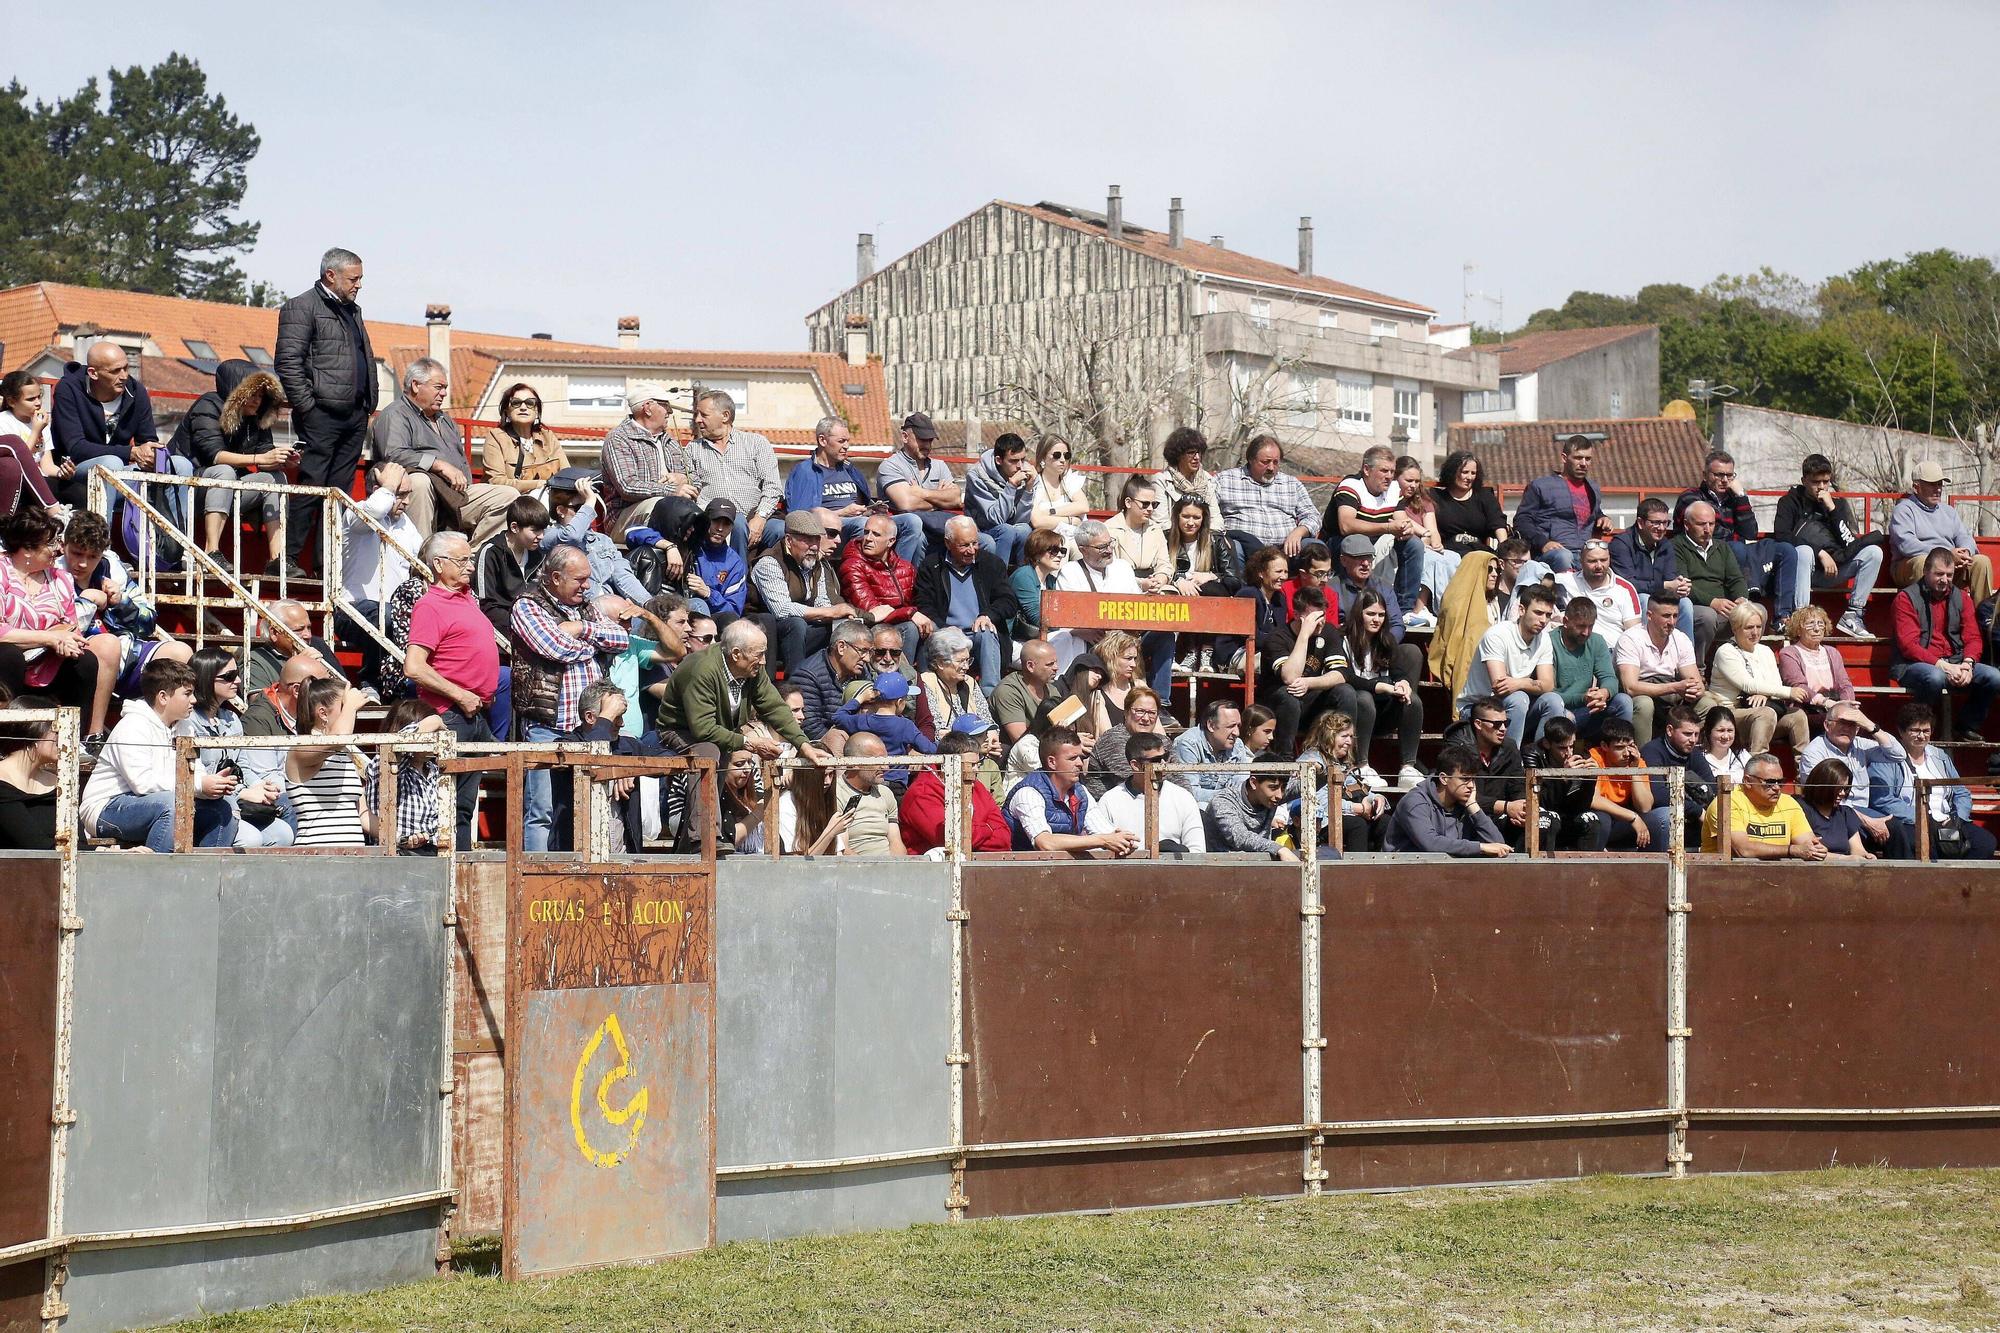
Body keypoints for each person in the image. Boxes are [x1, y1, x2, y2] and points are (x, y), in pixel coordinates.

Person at [511, 546, 631, 851]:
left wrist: (581, 628)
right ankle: (536, 881)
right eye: (579, 579)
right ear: (554, 577)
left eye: (588, 579)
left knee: (593, 804)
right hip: (547, 726)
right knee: (543, 810)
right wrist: (595, 642)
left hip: (591, 728)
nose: (587, 586)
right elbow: (555, 647)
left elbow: (622, 639)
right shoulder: (527, 606)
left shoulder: (586, 609)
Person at [275, 248, 375, 566]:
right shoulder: (301, 307)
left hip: (354, 414)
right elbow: (288, 362)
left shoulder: (353, 311)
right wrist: (308, 406)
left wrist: (368, 403)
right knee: (311, 485)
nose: (358, 284)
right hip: (321, 413)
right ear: (331, 275)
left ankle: (326, 563)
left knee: (340, 493)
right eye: (353, 278)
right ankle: (288, 558)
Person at [403, 531, 502, 846]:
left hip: (473, 714)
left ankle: (458, 872)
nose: (470, 566)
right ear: (438, 564)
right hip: (451, 714)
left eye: (470, 559)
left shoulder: (466, 599)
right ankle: (448, 875)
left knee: (463, 804)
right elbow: (414, 666)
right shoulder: (430, 605)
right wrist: (460, 694)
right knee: (451, 805)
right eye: (462, 560)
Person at [81, 658, 238, 852]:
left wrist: (210, 785)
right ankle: (158, 878)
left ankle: (202, 877)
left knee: (222, 811)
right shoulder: (133, 726)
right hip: (106, 807)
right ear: (163, 697)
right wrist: (198, 785)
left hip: (158, 801)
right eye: (187, 694)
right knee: (170, 805)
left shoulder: (185, 726)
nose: (194, 700)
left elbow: (195, 771)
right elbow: (142, 783)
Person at [0, 506, 114, 743]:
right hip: (9, 656)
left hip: (47, 660)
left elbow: (70, 626)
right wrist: (48, 637)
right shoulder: (2, 571)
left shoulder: (60, 578)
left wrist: (64, 639)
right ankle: (6, 738)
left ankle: (73, 742)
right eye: (51, 544)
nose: (58, 550)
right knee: (9, 656)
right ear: (28, 549)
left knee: (84, 660)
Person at [51, 340, 193, 528]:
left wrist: (151, 454)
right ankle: (101, 545)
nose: (124, 376)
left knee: (181, 465)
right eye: (115, 371)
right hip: (74, 471)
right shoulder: (68, 389)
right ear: (93, 373)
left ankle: (176, 546)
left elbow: (147, 440)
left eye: (126, 368)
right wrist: (131, 453)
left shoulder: (136, 392)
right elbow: (76, 447)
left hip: (120, 473)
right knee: (111, 463)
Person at [657, 618, 833, 767]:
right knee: (708, 753)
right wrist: (747, 743)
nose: (764, 661)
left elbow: (775, 707)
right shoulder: (702, 670)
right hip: (678, 730)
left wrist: (803, 744)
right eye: (759, 654)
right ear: (736, 654)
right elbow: (703, 729)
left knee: (733, 755)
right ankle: (702, 809)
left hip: (720, 731)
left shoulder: (752, 668)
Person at [370, 357, 511, 544]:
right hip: (420, 492)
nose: (444, 393)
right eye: (439, 387)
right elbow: (394, 454)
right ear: (415, 385)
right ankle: (421, 562)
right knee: (419, 482)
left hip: (456, 494)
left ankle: (468, 558)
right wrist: (438, 465)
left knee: (507, 496)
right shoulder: (395, 414)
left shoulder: (446, 420)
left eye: (445, 388)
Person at [167, 359, 291, 568]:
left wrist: (283, 460)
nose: (257, 401)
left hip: (225, 490)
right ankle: (211, 552)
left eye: (261, 395)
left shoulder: (256, 417)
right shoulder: (208, 404)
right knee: (223, 472)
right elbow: (215, 454)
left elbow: (264, 456)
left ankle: (276, 559)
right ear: (236, 391)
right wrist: (260, 458)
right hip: (186, 489)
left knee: (276, 478)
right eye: (252, 394)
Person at [178, 646, 292, 848]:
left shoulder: (231, 719)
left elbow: (243, 766)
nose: (237, 682)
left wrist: (260, 787)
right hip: (204, 801)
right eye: (229, 676)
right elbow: (196, 774)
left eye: (237, 675)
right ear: (206, 678)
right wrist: (242, 792)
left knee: (282, 833)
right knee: (252, 839)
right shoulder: (189, 721)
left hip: (234, 799)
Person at [1675, 448, 1800, 620]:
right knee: (1736, 548)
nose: (1725, 480)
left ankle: (1783, 617)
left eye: (1729, 475)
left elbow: (1750, 532)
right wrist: (1739, 539)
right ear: (1705, 475)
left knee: (1786, 550)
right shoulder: (1691, 497)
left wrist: (1741, 496)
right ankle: (1749, 593)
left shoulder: (1734, 497)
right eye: (1718, 475)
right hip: (1713, 553)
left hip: (1740, 547)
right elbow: (1710, 533)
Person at [1049, 520, 1172, 694]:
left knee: (1165, 636)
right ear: (1083, 549)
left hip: (1127, 638)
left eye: (1110, 543)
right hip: (1096, 642)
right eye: (1101, 547)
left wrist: (1149, 597)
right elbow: (1066, 617)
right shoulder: (1070, 572)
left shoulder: (1123, 567)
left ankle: (1162, 701)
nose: (1109, 550)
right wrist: (1080, 630)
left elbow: (1137, 607)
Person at [333, 459, 423, 693]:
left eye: (408, 494)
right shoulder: (355, 512)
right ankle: (370, 681)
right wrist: (388, 488)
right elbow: (373, 514)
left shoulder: (407, 525)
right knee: (388, 615)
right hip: (350, 609)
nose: (407, 501)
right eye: (400, 494)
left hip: (393, 612)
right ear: (380, 489)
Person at [1891, 546, 1999, 740]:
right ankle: (1922, 727)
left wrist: (1968, 664)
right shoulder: (1905, 598)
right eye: (1938, 574)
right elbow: (1908, 645)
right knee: (1935, 677)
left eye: (1949, 575)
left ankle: (1966, 725)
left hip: (1956, 662)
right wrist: (1944, 666)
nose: (1945, 580)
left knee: (1993, 676)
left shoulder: (1962, 598)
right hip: (1913, 664)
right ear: (1925, 572)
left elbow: (1973, 637)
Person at [1870, 701, 1998, 862]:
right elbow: (1883, 799)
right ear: (1901, 732)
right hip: (1911, 821)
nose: (1921, 736)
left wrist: (1957, 818)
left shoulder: (1940, 756)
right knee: (1927, 847)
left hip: (1947, 820)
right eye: (1915, 730)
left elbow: (1961, 792)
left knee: (1985, 843)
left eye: (1926, 731)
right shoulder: (1885, 758)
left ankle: (1956, 884)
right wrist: (1923, 819)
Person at [1772, 453, 1882, 640]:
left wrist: (1833, 510)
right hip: (1804, 571)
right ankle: (1802, 617)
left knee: (1874, 552)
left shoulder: (1836, 505)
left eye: (1826, 481)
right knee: (1804, 552)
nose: (1821, 487)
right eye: (1816, 482)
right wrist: (1819, 552)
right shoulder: (1789, 502)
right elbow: (1782, 536)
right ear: (1804, 480)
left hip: (1834, 570)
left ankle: (1853, 614)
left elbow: (1849, 542)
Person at [788, 415, 921, 560]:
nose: (846, 446)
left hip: (860, 519)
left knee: (912, 522)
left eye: (847, 441)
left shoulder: (849, 469)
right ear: (822, 440)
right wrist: (841, 513)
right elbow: (799, 518)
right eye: (841, 441)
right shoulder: (805, 471)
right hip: (832, 530)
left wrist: (872, 509)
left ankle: (897, 575)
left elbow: (863, 502)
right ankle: (859, 575)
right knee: (863, 526)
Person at [1323, 445, 1427, 629]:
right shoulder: (1351, 485)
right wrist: (1387, 528)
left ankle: (1404, 611)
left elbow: (1400, 519)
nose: (1389, 476)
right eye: (1384, 471)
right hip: (1342, 544)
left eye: (1392, 472)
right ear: (1366, 470)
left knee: (1414, 546)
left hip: (1377, 540)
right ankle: (1347, 606)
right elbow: (1346, 525)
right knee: (1354, 544)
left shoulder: (1394, 488)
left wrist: (1406, 529)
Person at [1330, 588, 1425, 787]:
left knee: (1412, 700)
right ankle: (1361, 765)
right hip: (1355, 709)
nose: (1376, 620)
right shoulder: (1342, 639)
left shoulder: (1386, 640)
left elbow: (1398, 672)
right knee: (1363, 697)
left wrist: (1403, 683)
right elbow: (1346, 677)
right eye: (1370, 614)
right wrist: (1380, 686)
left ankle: (1407, 767)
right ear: (1359, 614)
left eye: (1381, 615)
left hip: (1382, 712)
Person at [915, 515, 1017, 693]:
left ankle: (990, 695)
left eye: (974, 543)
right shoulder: (931, 565)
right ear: (948, 543)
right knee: (933, 632)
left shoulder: (991, 563)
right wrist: (945, 628)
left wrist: (988, 615)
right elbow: (924, 603)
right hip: (945, 631)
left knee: (987, 631)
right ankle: (930, 693)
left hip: (978, 633)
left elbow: (1008, 601)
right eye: (964, 545)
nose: (971, 550)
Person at [1797, 701, 1909, 859]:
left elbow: (1898, 755)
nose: (1846, 728)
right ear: (1827, 725)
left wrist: (1869, 725)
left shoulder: (1859, 745)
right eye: (1841, 723)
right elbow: (1821, 796)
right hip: (1832, 811)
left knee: (1901, 828)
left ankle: (1903, 879)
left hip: (1862, 809)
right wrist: (1867, 821)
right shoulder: (1814, 752)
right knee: (1892, 828)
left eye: (1852, 724)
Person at [749, 510, 855, 675]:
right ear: (789, 540)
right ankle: (795, 685)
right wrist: (831, 611)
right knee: (795, 623)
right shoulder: (770, 562)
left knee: (840, 626)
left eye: (817, 539)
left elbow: (821, 601)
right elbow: (782, 610)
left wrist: (837, 615)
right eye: (807, 539)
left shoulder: (814, 562)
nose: (814, 546)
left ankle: (836, 680)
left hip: (800, 632)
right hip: (765, 633)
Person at [1003, 726, 1137, 855]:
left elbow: (1105, 833)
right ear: (1052, 762)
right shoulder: (1028, 793)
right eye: (1072, 758)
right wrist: (1103, 841)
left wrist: (1122, 841)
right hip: (1021, 872)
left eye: (1081, 757)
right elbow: (1044, 843)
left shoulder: (1080, 791)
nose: (1079, 763)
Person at [1457, 584, 1562, 746]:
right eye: (1538, 613)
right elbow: (1500, 685)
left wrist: (1519, 682)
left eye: (1548, 615)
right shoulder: (1497, 634)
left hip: (1512, 707)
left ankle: (1538, 760)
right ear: (1521, 610)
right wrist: (1528, 685)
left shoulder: (1544, 639)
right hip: (1476, 708)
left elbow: (1548, 685)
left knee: (1553, 701)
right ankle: (1510, 762)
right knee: (1519, 699)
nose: (1543, 620)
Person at [1704, 602, 1809, 754]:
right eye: (1749, 627)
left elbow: (1774, 683)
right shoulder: (1725, 651)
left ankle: (1804, 772)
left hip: (1758, 710)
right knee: (1765, 713)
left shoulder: (1766, 651)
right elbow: (1747, 684)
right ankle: (1757, 767)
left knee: (1797, 716)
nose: (1755, 632)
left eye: (1758, 627)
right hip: (1729, 712)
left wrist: (1763, 693)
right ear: (1735, 628)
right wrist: (1789, 692)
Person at [599, 381, 700, 539]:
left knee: (714, 516)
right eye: (665, 404)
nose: (670, 411)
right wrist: (672, 490)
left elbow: (696, 479)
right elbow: (627, 487)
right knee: (665, 506)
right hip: (624, 518)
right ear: (647, 408)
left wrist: (684, 478)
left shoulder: (670, 441)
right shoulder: (619, 438)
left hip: (675, 510)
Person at [1889, 460, 1995, 608]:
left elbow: (1964, 536)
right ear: (1916, 487)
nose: (1938, 489)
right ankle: (1927, 619)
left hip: (1949, 565)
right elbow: (1907, 546)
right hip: (1910, 567)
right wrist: (1946, 555)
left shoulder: (1948, 511)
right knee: (1923, 562)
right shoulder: (1904, 510)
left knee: (1981, 562)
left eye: (1940, 484)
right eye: (1932, 484)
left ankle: (1984, 621)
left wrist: (1965, 552)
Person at [541, 471, 656, 607]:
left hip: (612, 608)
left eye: (590, 507)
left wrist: (650, 606)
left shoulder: (603, 540)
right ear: (560, 510)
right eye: (580, 508)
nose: (589, 513)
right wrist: (589, 501)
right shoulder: (548, 536)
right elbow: (572, 536)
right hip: (577, 611)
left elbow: (624, 577)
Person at [687, 388, 781, 554]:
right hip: (716, 523)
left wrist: (760, 518)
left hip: (757, 516)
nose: (697, 420)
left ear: (725, 416)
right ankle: (738, 577)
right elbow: (692, 491)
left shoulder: (756, 443)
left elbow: (773, 487)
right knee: (736, 524)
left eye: (704, 415)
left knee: (783, 530)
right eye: (696, 415)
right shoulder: (692, 450)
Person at [1440, 695, 1535, 850]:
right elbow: (1460, 793)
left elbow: (1518, 785)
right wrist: (1506, 807)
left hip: (1502, 813)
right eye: (1497, 724)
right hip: (1466, 815)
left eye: (1506, 723)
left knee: (1543, 822)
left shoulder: (1509, 747)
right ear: (1478, 724)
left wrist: (1521, 809)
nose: (1503, 729)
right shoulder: (1458, 747)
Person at [284, 677, 370, 847]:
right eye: (343, 706)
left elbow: (362, 814)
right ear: (322, 713)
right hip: (316, 857)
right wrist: (351, 705)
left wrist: (398, 834)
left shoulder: (344, 752)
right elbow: (339, 738)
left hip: (352, 859)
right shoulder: (301, 748)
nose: (351, 713)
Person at [899, 730, 1012, 854]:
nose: (976, 770)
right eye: (969, 765)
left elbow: (1004, 838)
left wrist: (970, 832)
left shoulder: (976, 786)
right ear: (947, 765)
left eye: (977, 764)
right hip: (932, 869)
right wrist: (988, 828)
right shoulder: (921, 793)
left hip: (977, 865)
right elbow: (950, 840)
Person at [1385, 746, 1510, 857]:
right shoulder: (1415, 802)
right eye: (1465, 779)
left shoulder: (1464, 803)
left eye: (1473, 779)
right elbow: (1431, 843)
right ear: (1444, 779)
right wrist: (1480, 847)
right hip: (1403, 872)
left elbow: (1497, 844)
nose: (1471, 785)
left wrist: (1474, 807)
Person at [1616, 593, 1705, 745]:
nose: (1672, 622)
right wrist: (1675, 687)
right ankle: (1641, 759)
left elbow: (1698, 684)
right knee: (1644, 704)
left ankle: (1689, 752)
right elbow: (1630, 687)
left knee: (1707, 702)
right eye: (1666, 616)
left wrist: (1695, 690)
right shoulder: (1630, 638)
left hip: (1672, 695)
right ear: (1649, 615)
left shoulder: (1681, 639)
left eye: (1675, 616)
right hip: (1643, 693)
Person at [1701, 752, 1826, 861]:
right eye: (1770, 782)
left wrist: (1816, 850)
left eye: (1780, 782)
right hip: (1724, 879)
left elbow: (1808, 844)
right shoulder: (1726, 803)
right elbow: (1744, 850)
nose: (1777, 788)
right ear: (1747, 781)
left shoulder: (1789, 803)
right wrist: (1791, 850)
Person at [1264, 585, 1343, 757]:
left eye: (1322, 615)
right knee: (1289, 695)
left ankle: (1343, 760)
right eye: (1314, 617)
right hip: (1279, 704)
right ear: (1299, 615)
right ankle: (1285, 760)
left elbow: (1341, 674)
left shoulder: (1328, 632)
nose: (1320, 622)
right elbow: (1290, 677)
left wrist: (1310, 683)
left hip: (1310, 699)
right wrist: (1304, 635)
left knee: (1345, 692)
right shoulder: (1277, 637)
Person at [840, 510, 929, 664]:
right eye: (866, 532)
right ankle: (902, 680)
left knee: (930, 626)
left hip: (901, 621)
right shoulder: (852, 565)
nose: (868, 538)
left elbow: (918, 601)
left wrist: (916, 614)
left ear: (891, 541)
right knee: (911, 628)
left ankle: (924, 679)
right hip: (870, 627)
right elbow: (870, 610)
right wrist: (910, 613)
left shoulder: (905, 567)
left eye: (876, 534)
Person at [362, 698, 449, 855]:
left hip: (433, 855)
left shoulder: (434, 770)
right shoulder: (386, 763)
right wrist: (433, 721)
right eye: (431, 733)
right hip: (395, 855)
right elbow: (395, 745)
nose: (434, 739)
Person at [1215, 434, 1318, 566]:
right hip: (1244, 550)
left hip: (1286, 550)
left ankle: (1308, 587)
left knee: (1314, 548)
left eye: (1275, 462)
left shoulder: (1292, 484)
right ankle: (1239, 586)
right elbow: (1207, 512)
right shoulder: (1225, 480)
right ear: (1251, 459)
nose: (1271, 467)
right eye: (1265, 462)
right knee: (1231, 547)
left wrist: (1299, 532)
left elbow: (1313, 516)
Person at [1295, 710, 1389, 852]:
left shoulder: (1341, 763)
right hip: (1319, 822)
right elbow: (1321, 802)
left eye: (1351, 736)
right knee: (1357, 824)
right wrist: (1358, 809)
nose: (1349, 742)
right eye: (1344, 736)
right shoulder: (1312, 760)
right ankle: (1355, 872)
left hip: (1344, 815)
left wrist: (1376, 798)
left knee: (1384, 821)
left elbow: (1355, 788)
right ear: (1329, 736)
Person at [1511, 432, 1604, 573]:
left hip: (1585, 554)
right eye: (1578, 458)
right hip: (1552, 555)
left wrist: (1602, 518)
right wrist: (1543, 543)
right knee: (1564, 556)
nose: (1584, 463)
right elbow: (1522, 520)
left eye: (1588, 459)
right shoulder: (1541, 486)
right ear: (1564, 458)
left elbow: (1590, 513)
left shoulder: (1593, 489)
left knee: (1608, 556)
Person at [1672, 500, 1748, 667]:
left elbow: (1736, 578)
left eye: (1711, 524)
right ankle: (1695, 668)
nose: (1707, 529)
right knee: (1707, 616)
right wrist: (1712, 602)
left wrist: (1742, 599)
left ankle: (1747, 665)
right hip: (1693, 607)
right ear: (1686, 524)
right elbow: (1683, 585)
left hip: (1724, 607)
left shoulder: (1722, 547)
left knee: (1756, 612)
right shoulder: (1676, 546)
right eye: (1701, 524)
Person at [878, 412, 964, 557]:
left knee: (986, 541)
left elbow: (956, 498)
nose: (927, 445)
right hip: (908, 530)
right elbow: (906, 504)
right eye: (921, 439)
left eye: (930, 440)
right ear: (905, 437)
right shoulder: (891, 466)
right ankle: (907, 578)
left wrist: (922, 492)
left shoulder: (940, 466)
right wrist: (941, 501)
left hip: (939, 527)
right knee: (918, 534)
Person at [1609, 498, 1696, 642]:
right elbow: (1628, 584)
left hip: (1657, 596)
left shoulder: (1666, 545)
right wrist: (1665, 586)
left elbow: (1670, 578)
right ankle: (1645, 651)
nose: (1662, 528)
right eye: (1656, 522)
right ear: (1640, 523)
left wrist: (1679, 587)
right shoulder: (1621, 544)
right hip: (1629, 600)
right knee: (1643, 599)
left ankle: (1686, 658)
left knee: (1685, 603)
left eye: (1665, 523)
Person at [1551, 596, 1632, 744]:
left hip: (1587, 707)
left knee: (1623, 701)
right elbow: (1548, 694)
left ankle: (1619, 753)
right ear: (1565, 622)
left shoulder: (1596, 641)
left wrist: (1603, 693)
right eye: (1581, 626)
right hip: (1559, 711)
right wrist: (1583, 697)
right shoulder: (1549, 642)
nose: (1586, 632)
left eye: (1591, 626)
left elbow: (1609, 678)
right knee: (1555, 707)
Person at [1206, 758, 1317, 862]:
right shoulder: (1223, 801)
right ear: (1254, 783)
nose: (1279, 795)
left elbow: (1310, 783)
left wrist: (1318, 769)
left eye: (1283, 788)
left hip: (1259, 867)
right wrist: (1279, 848)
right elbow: (1240, 837)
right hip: (1221, 869)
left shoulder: (1271, 797)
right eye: (1273, 788)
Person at [1522, 715, 1606, 851]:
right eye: (1562, 748)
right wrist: (1563, 778)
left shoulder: (1580, 752)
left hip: (1569, 812)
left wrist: (1590, 779)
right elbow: (1539, 801)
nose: (1569, 753)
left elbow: (1583, 805)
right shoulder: (1533, 754)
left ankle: (1584, 870)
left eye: (1572, 746)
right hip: (1545, 811)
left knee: (1592, 819)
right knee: (1548, 819)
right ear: (1547, 744)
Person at [1391, 455, 1459, 623]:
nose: (1413, 485)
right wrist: (1425, 535)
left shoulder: (1424, 501)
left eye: (1416, 481)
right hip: (1403, 546)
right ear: (1396, 478)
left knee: (1453, 557)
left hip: (1424, 544)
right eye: (1408, 480)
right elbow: (1404, 523)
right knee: (1432, 559)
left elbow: (1432, 531)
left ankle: (1446, 608)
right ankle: (1417, 610)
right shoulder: (1392, 499)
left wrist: (1432, 540)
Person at [1640, 704, 1715, 851]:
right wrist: (1697, 811)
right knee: (1666, 816)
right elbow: (1658, 794)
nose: (1693, 740)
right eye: (1687, 734)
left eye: (1696, 734)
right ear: (1669, 730)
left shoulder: (1694, 754)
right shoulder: (1652, 751)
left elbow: (1712, 787)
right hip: (1657, 818)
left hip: (1692, 817)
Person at [789, 619, 873, 749]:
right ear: (841, 647)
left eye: (870, 652)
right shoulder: (808, 675)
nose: (867, 658)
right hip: (823, 749)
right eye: (862, 651)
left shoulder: (861, 672)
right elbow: (810, 726)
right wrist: (848, 746)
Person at [480, 383, 572, 496]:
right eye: (516, 403)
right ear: (506, 411)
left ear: (537, 411)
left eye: (530, 403)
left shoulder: (548, 437)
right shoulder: (496, 438)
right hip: (514, 503)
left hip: (551, 499)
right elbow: (495, 482)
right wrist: (538, 485)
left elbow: (567, 474)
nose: (523, 407)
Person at [475, 495, 549, 633]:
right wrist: (524, 625)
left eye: (543, 530)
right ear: (514, 527)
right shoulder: (491, 553)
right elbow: (486, 605)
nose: (541, 536)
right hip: (505, 630)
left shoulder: (539, 555)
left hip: (536, 624)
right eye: (535, 530)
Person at [963, 431, 1037, 565]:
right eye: (1013, 461)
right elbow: (996, 519)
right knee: (1006, 530)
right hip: (980, 528)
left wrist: (1028, 489)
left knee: (1025, 530)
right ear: (999, 460)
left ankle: (1021, 579)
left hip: (1007, 528)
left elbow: (1021, 521)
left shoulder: (1025, 474)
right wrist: (1011, 486)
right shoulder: (977, 475)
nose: (1020, 466)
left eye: (1023, 459)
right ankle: (999, 581)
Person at [1777, 605, 1855, 732]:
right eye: (1810, 624)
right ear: (1798, 630)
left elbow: (1844, 684)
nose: (1817, 628)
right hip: (1807, 708)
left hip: (1835, 704)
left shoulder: (1832, 652)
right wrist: (1826, 703)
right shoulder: (1788, 653)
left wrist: (1847, 704)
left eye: (1820, 623)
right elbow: (1799, 686)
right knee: (1835, 724)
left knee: (1856, 721)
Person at [0, 369, 69, 511]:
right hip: (20, 482)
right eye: (31, 399)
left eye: (39, 397)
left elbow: (47, 466)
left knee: (79, 492)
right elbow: (18, 457)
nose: (37, 403)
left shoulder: (40, 422)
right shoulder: (4, 421)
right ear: (12, 401)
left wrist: (62, 472)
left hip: (42, 479)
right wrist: (36, 431)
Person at [910, 626, 993, 742]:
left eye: (968, 660)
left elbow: (987, 720)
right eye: (960, 661)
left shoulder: (969, 682)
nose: (966, 667)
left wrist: (992, 735)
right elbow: (937, 730)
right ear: (940, 663)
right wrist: (975, 740)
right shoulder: (926, 683)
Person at [1556, 539, 1642, 649]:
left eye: (1603, 560)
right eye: (1592, 561)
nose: (1599, 566)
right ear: (1581, 561)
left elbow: (1634, 633)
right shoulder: (1566, 580)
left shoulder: (1624, 589)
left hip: (1613, 652)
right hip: (1576, 650)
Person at [0, 697, 60, 849]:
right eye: (57, 729)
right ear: (34, 729)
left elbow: (75, 842)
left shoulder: (59, 782)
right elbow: (35, 845)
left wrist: (102, 851)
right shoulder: (2, 781)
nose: (65, 736)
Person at [1588, 717, 1656, 852]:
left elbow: (1645, 807)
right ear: (1604, 746)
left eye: (1629, 746)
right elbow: (1593, 799)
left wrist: (1634, 771)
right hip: (1602, 817)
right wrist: (1633, 817)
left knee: (1659, 819)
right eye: (1619, 748)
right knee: (1602, 819)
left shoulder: (1636, 762)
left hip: (1622, 820)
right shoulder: (1594, 758)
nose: (1626, 754)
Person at [1086, 685, 1164, 798]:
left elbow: (1181, 781)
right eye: (1140, 711)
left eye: (1152, 713)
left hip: (1155, 804)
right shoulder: (1113, 740)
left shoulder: (1163, 742)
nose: (1146, 718)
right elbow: (1136, 781)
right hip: (1112, 808)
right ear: (1126, 712)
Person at [1429, 451, 1508, 558]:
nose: (1469, 477)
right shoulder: (1436, 497)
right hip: (1447, 554)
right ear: (1452, 472)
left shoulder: (1485, 496)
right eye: (1465, 472)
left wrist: (1505, 548)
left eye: (1473, 473)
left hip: (1479, 553)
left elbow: (1498, 523)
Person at [1798, 757, 1876, 861]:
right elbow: (1812, 852)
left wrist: (1865, 856)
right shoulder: (1801, 809)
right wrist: (1845, 859)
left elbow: (1857, 849)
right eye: (1838, 788)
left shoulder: (1846, 813)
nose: (1842, 793)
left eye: (1845, 788)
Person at [1024, 433, 1091, 550]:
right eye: (1056, 455)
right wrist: (1071, 520)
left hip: (1074, 537)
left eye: (1066, 455)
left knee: (1083, 548)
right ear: (1043, 457)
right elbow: (1038, 522)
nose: (1062, 460)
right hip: (1045, 541)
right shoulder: (1035, 482)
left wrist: (1049, 512)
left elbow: (1083, 506)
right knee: (1062, 546)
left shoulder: (1068, 480)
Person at [689, 498, 750, 623]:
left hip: (715, 619)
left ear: (732, 527)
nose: (720, 528)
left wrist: (709, 593)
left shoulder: (735, 564)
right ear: (705, 521)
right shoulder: (688, 547)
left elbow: (733, 611)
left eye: (726, 524)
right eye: (716, 521)